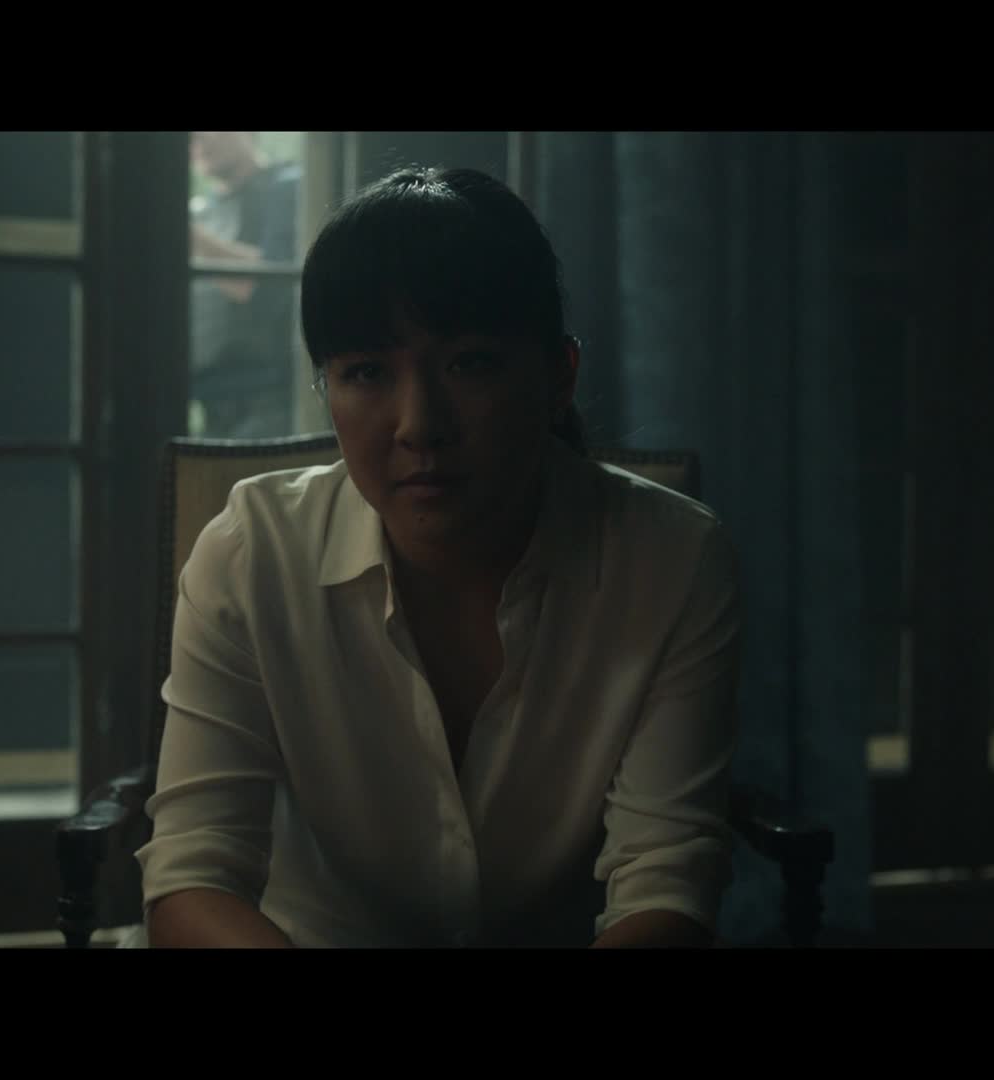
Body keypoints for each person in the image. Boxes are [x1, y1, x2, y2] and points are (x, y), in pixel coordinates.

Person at [132, 167, 742, 948]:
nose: (419, 424)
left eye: (470, 362)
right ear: (327, 388)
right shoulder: (253, 554)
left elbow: (665, 885)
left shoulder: (671, 559)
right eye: (366, 372)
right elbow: (192, 879)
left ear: (559, 376)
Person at [188, 131, 301, 438]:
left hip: (271, 396)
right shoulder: (204, 211)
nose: (201, 141)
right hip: (211, 401)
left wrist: (194, 239)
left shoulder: (288, 188)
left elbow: (271, 287)